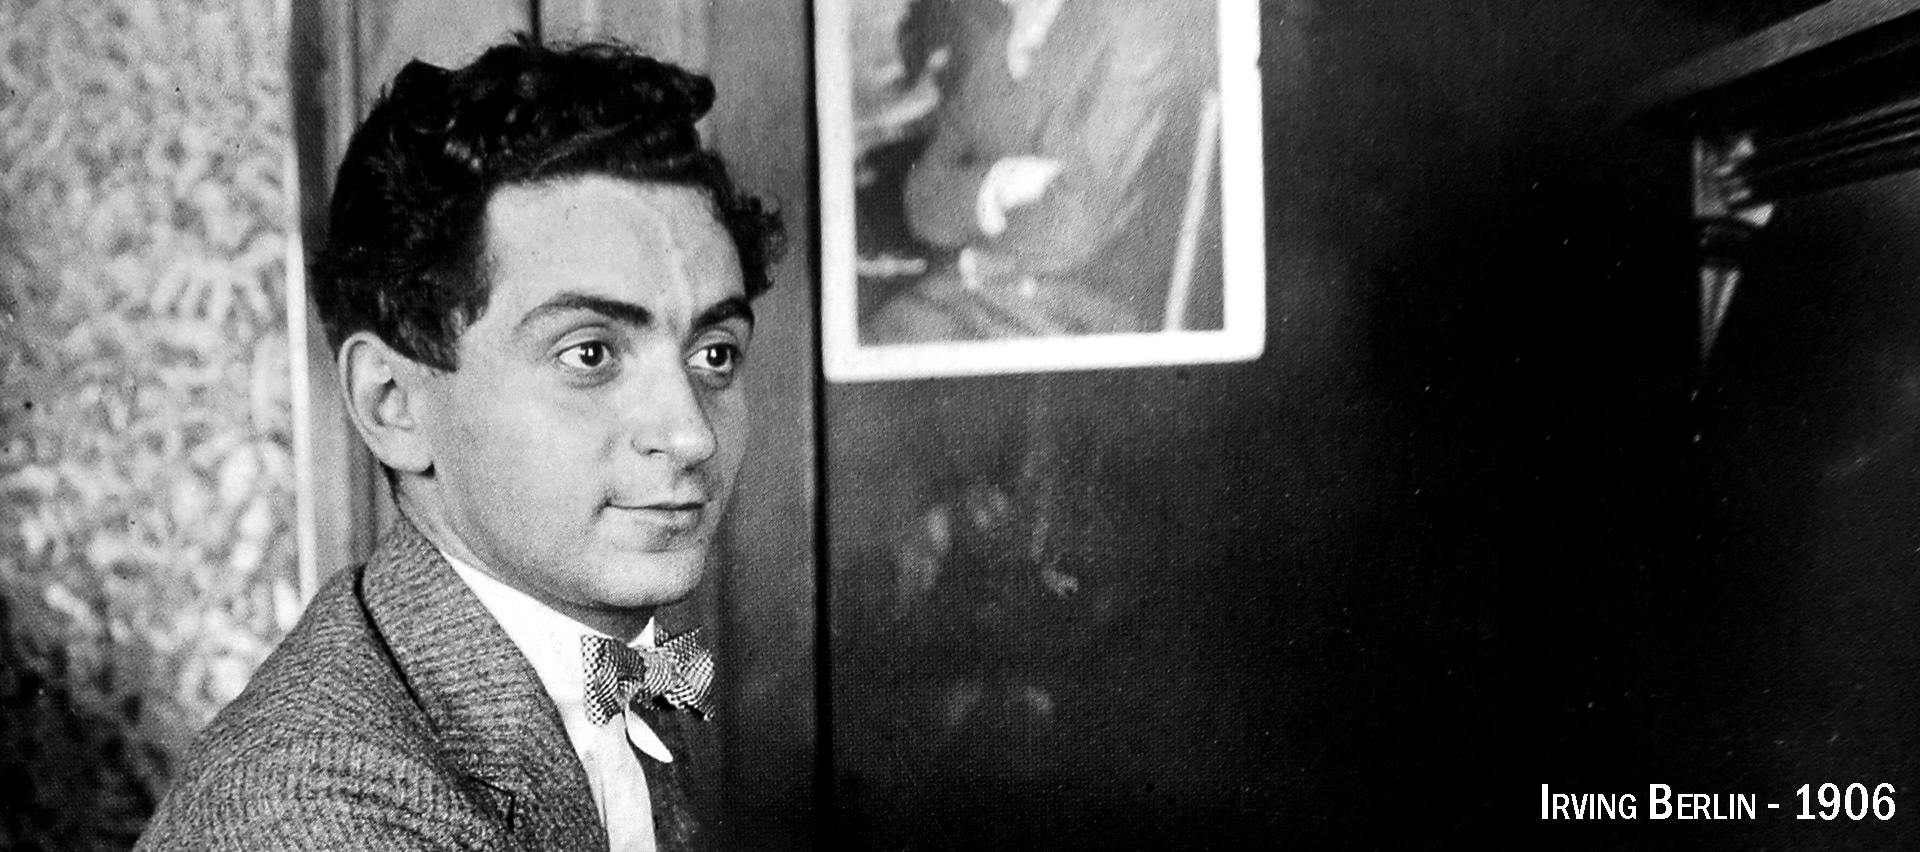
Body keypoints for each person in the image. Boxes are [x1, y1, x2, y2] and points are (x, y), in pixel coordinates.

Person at [136, 36, 782, 852]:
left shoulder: (603, 650)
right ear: (393, 403)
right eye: (590, 354)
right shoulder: (312, 816)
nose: (690, 434)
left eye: (714, 354)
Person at [866, 0, 1211, 343]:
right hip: (973, 290)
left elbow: (1076, 221)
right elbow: (922, 198)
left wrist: (974, 232)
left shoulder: (1136, 30)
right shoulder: (1002, 34)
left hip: (1069, 315)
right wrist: (996, 184)